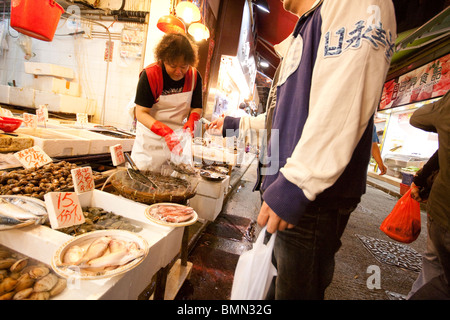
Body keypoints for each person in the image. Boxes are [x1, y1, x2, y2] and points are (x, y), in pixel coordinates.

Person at [210, 0, 396, 299]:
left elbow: (344, 101)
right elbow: (283, 114)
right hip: (288, 191)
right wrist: (233, 123)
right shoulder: (307, 26)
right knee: (271, 286)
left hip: (311, 201)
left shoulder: (354, 4)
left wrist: (297, 182)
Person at [130, 32, 203, 171]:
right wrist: (164, 131)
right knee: (142, 181)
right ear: (163, 59)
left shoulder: (194, 76)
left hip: (176, 141)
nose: (178, 71)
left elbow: (196, 107)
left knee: (172, 183)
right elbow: (141, 113)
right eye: (173, 65)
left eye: (183, 66)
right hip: (149, 142)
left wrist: (192, 120)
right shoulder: (150, 75)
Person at [407, 90, 450, 300]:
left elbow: (418, 118)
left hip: (443, 210)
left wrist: (421, 180)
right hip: (443, 210)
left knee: (433, 264)